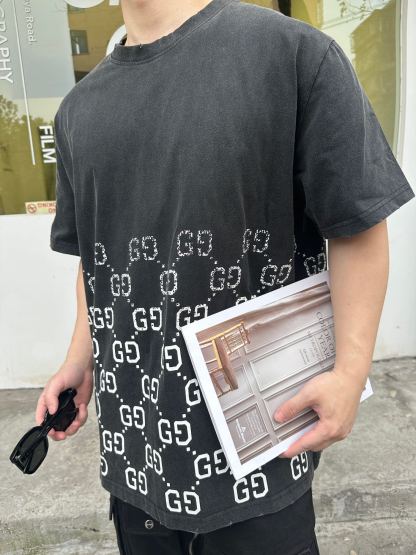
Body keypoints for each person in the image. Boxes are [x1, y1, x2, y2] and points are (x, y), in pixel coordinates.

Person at [36, 0, 415, 553]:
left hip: (261, 459)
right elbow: (97, 256)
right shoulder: (78, 110)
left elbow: (356, 224)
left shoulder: (290, 55)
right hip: (136, 457)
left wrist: (351, 372)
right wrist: (79, 358)